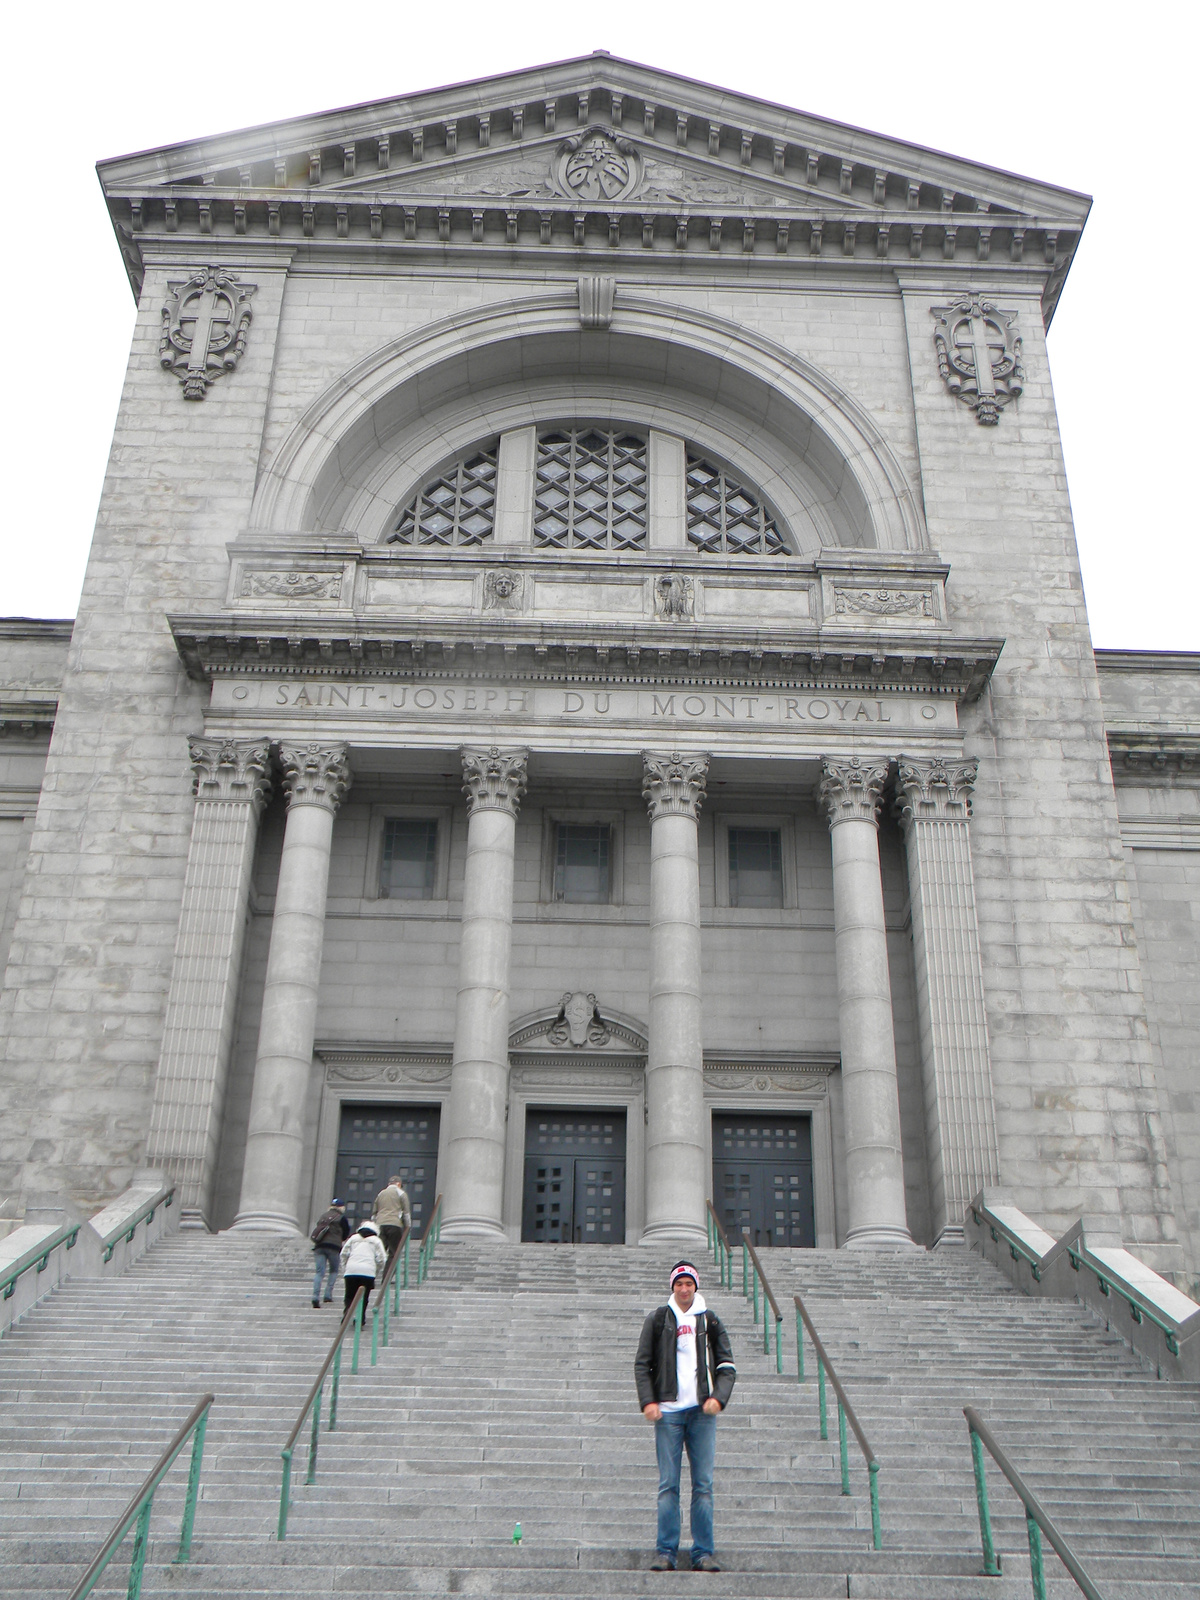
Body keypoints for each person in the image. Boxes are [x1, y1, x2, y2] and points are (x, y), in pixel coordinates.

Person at [635, 1260, 737, 1573]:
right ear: (672, 1287)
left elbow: (727, 1366)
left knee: (703, 1485)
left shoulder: (709, 1320)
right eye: (678, 1284)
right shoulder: (658, 1319)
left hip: (702, 1413)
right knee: (668, 1485)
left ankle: (702, 1552)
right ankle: (666, 1551)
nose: (683, 1289)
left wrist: (718, 1399)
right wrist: (648, 1402)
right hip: (668, 1413)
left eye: (688, 1284)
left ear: (696, 1287)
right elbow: (642, 1364)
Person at [339, 1220, 387, 1318]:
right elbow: (382, 1258)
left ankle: (347, 1312)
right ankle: (360, 1318)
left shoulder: (353, 1238)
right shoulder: (376, 1240)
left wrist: (345, 1267)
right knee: (364, 1297)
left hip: (351, 1270)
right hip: (368, 1272)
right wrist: (376, 1270)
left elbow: (343, 1254)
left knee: (349, 1295)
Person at [309, 1198, 350, 1308]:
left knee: (319, 1272)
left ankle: (315, 1297)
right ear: (341, 1207)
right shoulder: (342, 1218)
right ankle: (327, 1294)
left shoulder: (323, 1216)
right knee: (333, 1271)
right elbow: (346, 1233)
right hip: (334, 1247)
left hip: (319, 1246)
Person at [372, 1175, 413, 1260]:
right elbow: (406, 1213)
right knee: (393, 1253)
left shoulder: (381, 1193)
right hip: (395, 1224)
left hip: (380, 1224)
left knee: (380, 1251)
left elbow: (374, 1213)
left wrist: (374, 1225)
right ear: (399, 1184)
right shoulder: (401, 1193)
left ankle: (376, 1271)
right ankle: (388, 1273)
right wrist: (408, 1227)